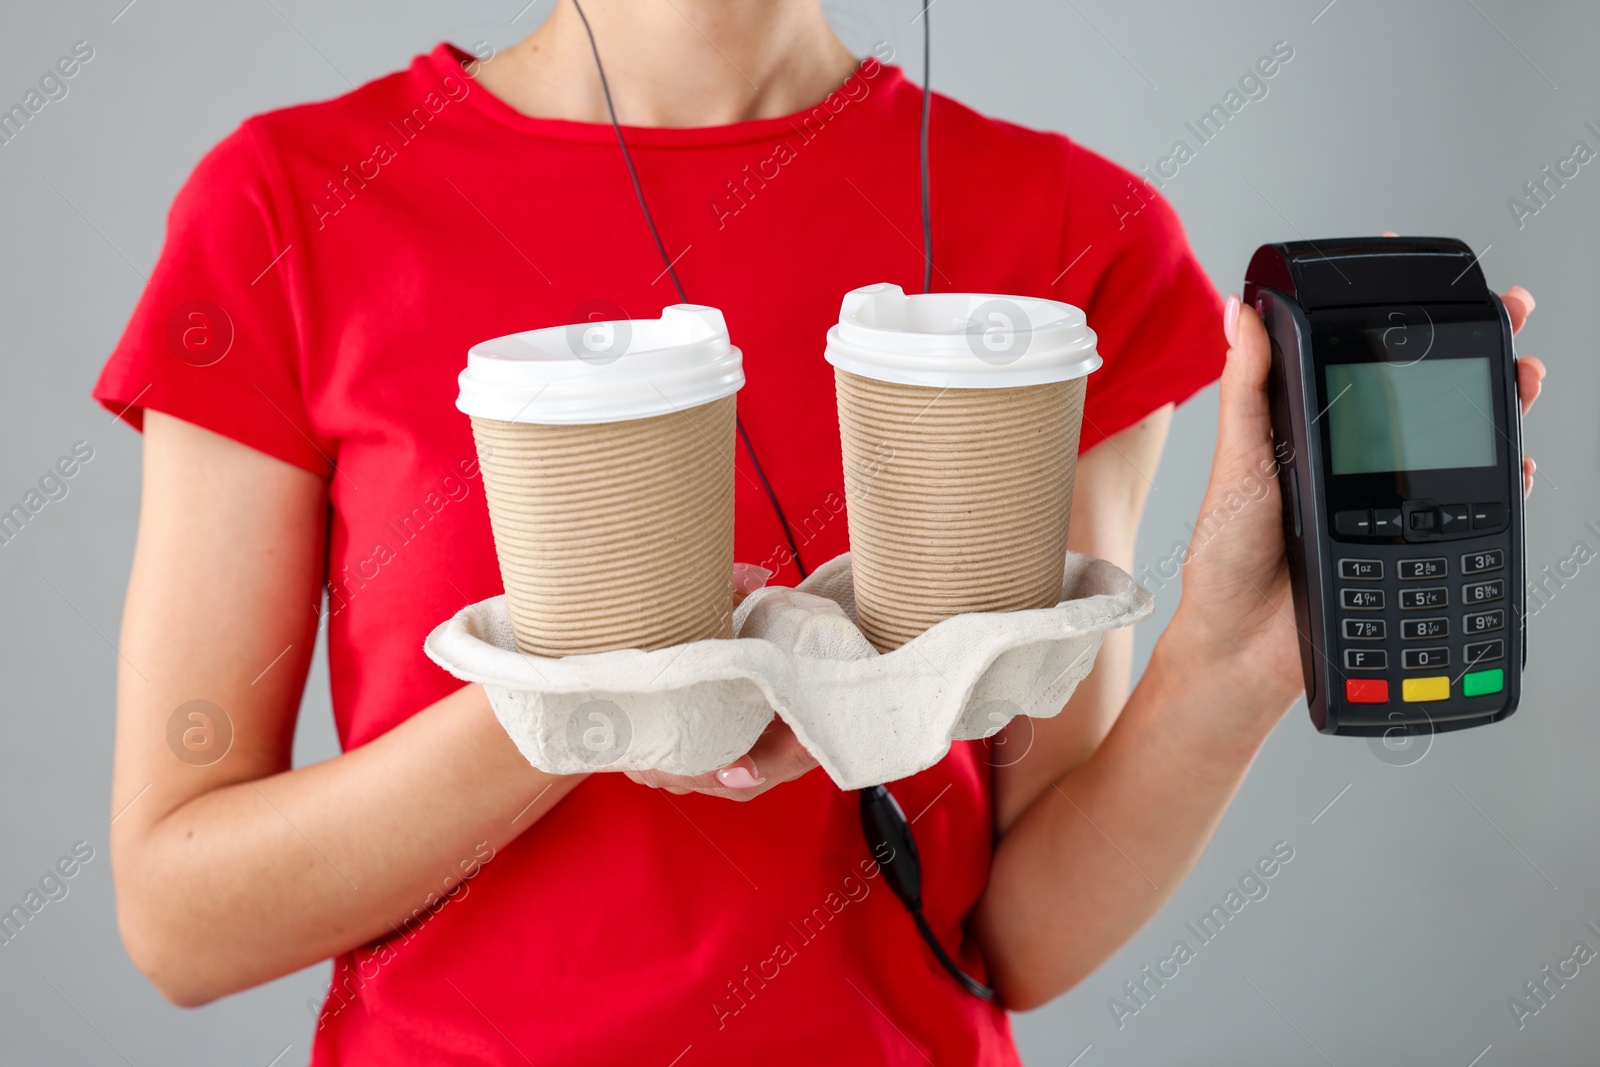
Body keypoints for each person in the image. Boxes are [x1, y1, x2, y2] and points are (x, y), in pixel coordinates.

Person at [94, 1, 1545, 1063]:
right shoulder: (291, 206)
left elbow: (1016, 934)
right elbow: (183, 919)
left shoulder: (1068, 239)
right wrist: (591, 701)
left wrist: (1232, 668)